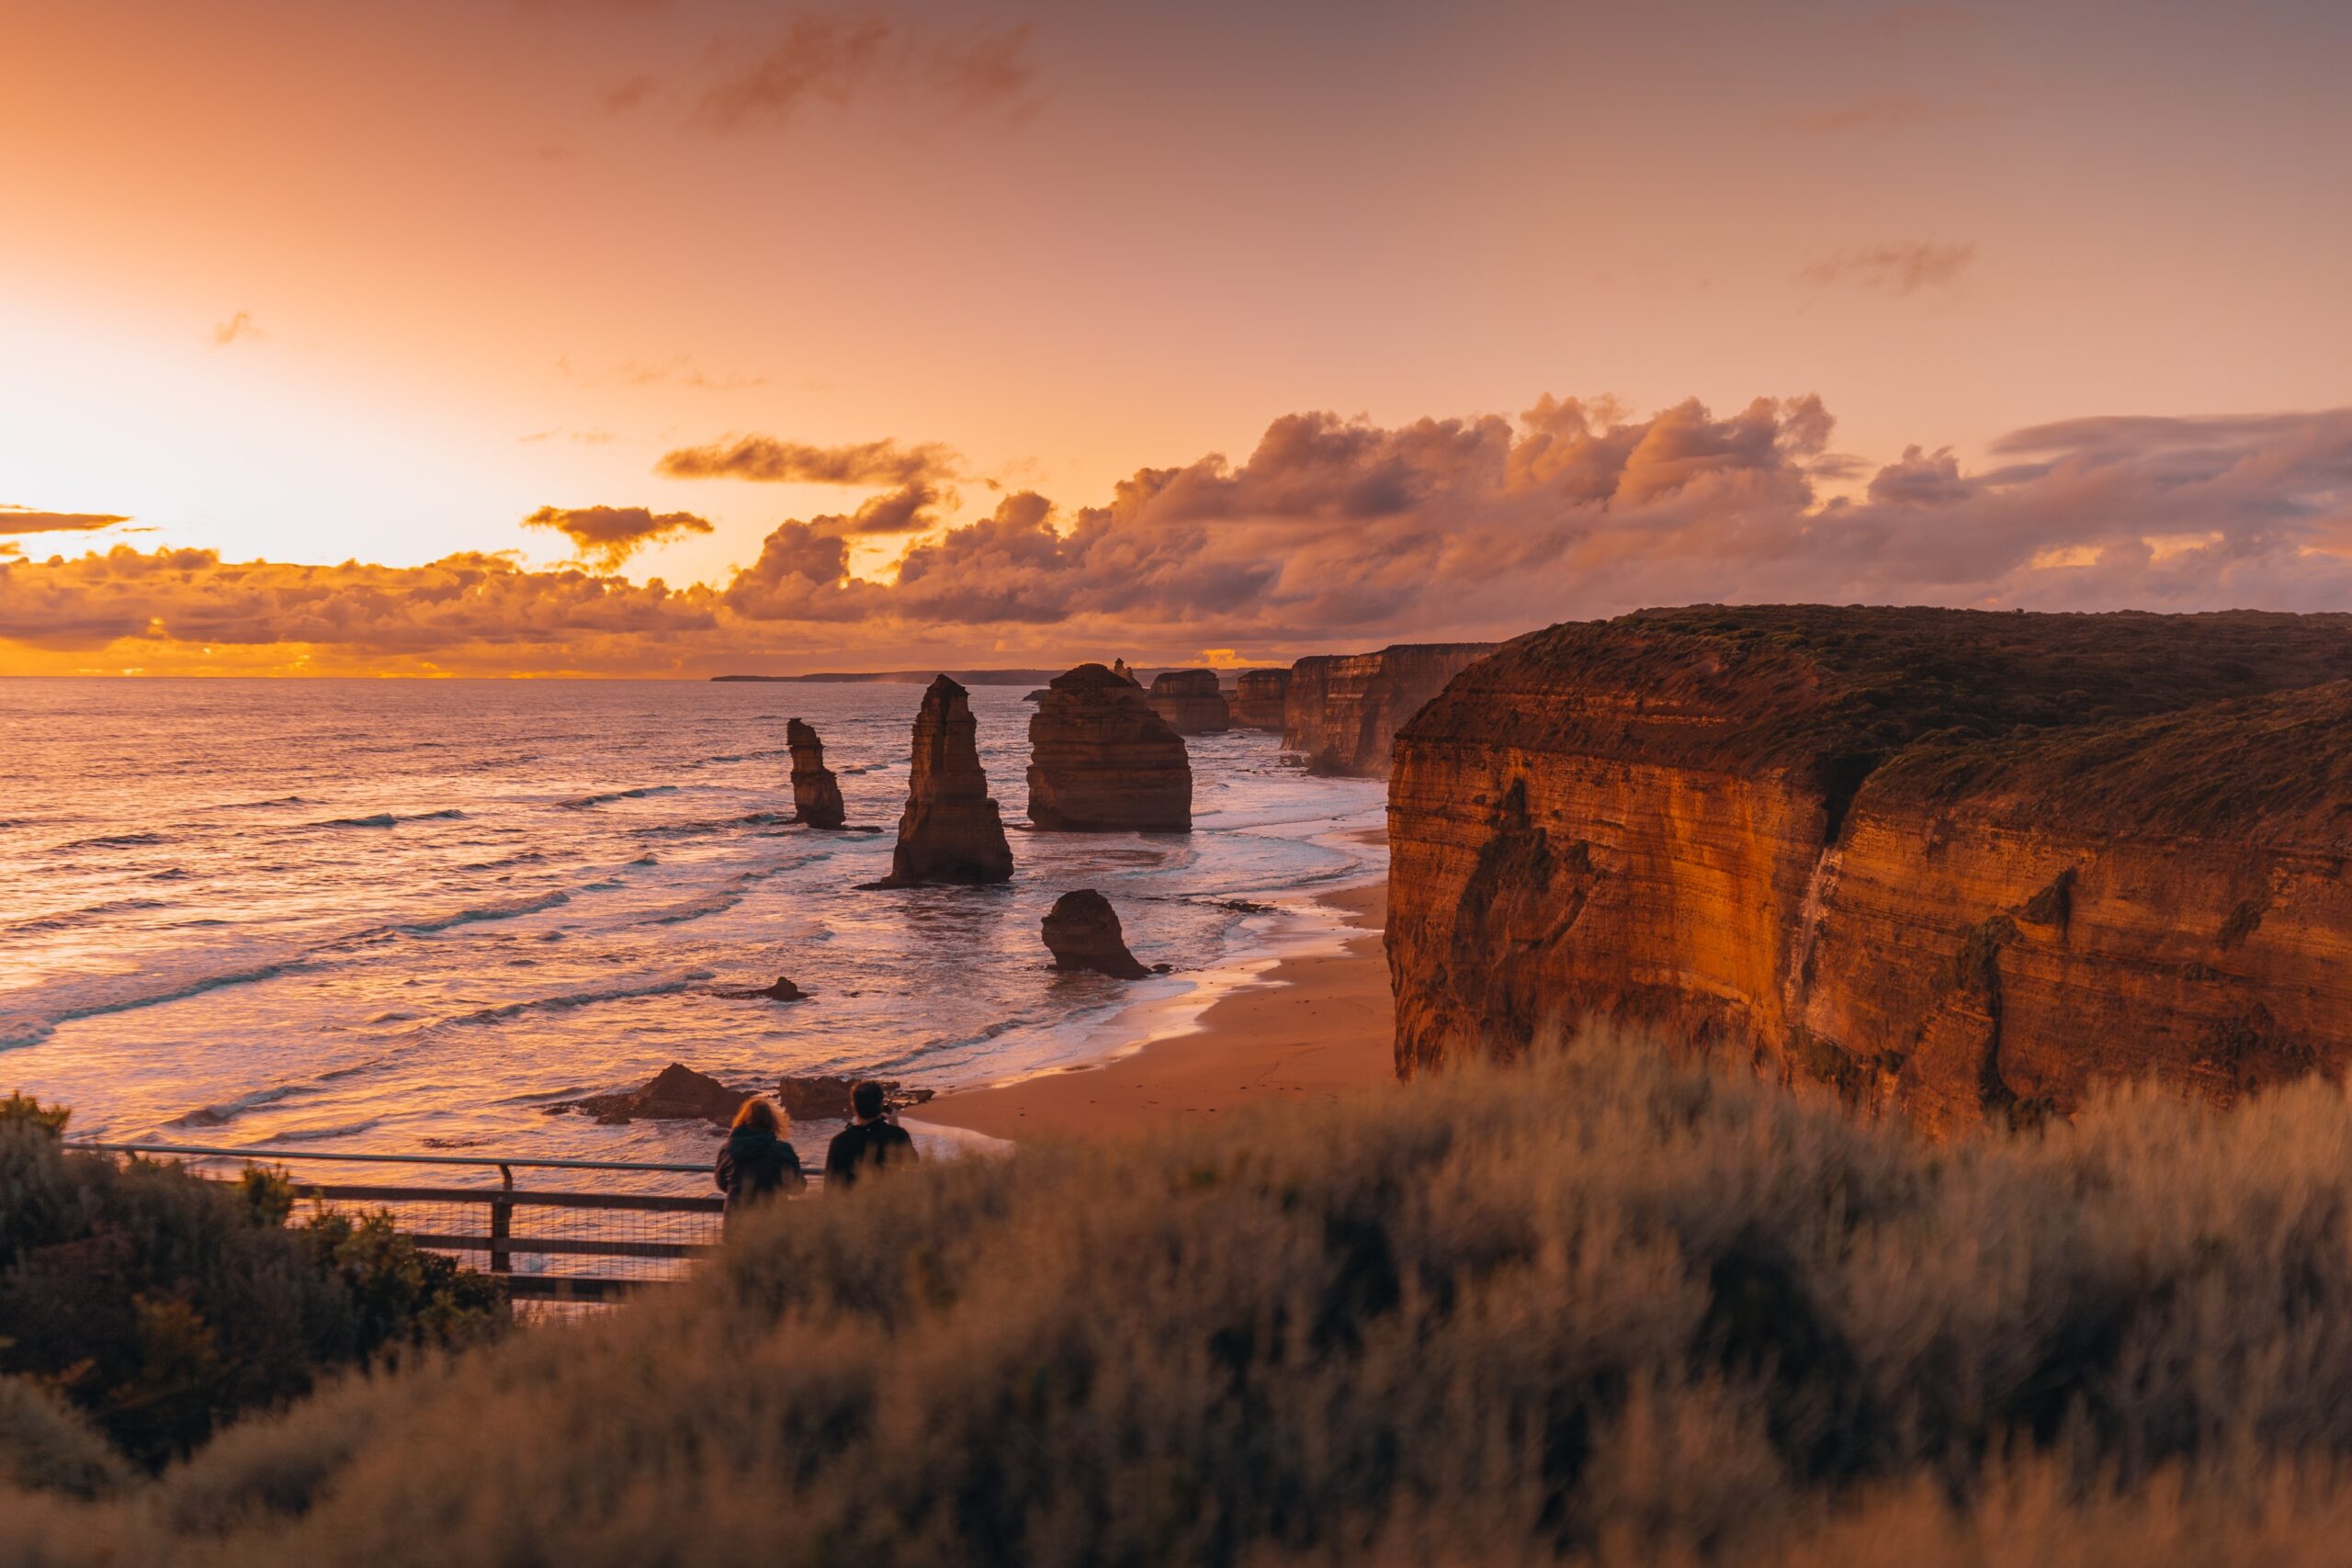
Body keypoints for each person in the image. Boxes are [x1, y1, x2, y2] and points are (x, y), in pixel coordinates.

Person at [714, 1098, 805, 1228]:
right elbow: (798, 1188)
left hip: (735, 1224)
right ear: (773, 1122)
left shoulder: (728, 1149)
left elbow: (722, 1183)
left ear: (743, 1120)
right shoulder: (783, 1150)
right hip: (772, 1224)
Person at [823, 1080, 917, 1190]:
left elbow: (829, 1189)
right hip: (890, 1204)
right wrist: (895, 1126)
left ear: (853, 1107)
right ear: (880, 1105)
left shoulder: (839, 1142)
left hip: (852, 1206)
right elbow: (913, 1164)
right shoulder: (897, 1135)